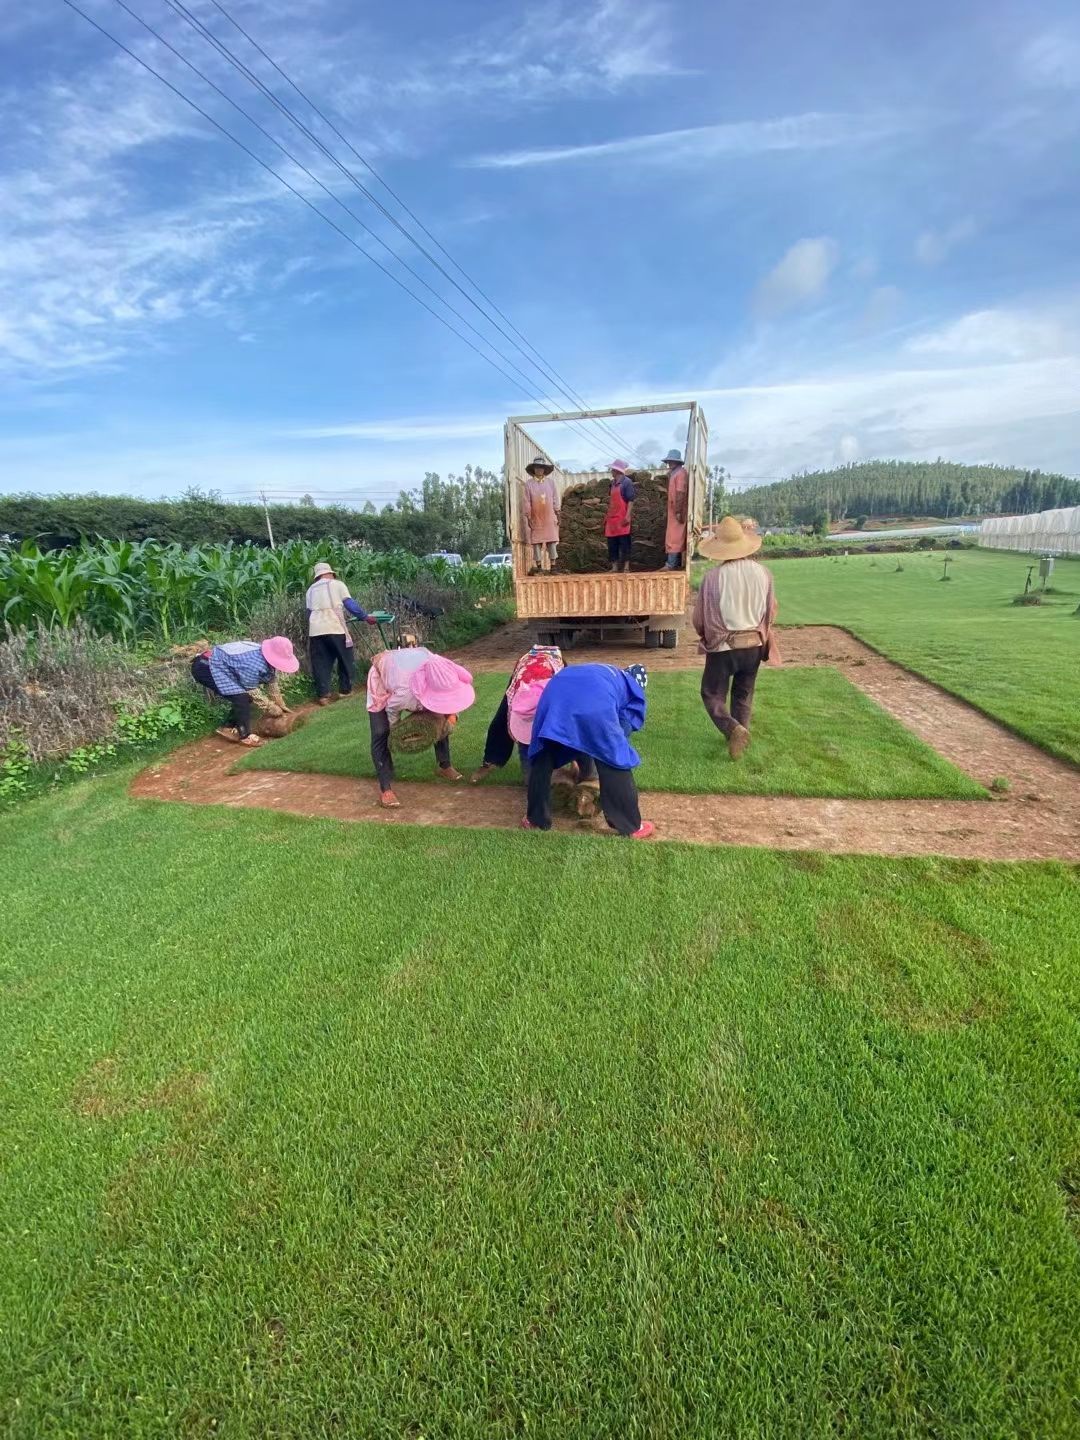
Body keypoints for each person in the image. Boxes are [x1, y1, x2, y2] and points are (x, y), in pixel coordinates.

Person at [523, 662, 655, 839]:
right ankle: (631, 826)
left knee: (544, 752)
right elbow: (624, 726)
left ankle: (535, 820)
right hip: (593, 701)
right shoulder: (632, 690)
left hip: (555, 693)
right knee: (614, 758)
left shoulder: (609, 672)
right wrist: (610, 747)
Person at [692, 516, 778, 759]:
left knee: (711, 693)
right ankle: (741, 732)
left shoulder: (712, 578)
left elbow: (700, 618)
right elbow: (770, 611)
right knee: (743, 693)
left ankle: (733, 730)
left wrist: (704, 635)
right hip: (754, 644)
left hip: (723, 646)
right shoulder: (764, 573)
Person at [366, 646, 476, 808]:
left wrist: (451, 715)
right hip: (382, 678)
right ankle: (386, 788)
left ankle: (444, 765)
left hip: (409, 676)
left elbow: (450, 695)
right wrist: (396, 735)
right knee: (381, 731)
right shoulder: (405, 693)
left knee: (440, 715)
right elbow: (392, 710)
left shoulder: (440, 667)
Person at [470, 645, 564, 783]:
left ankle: (576, 763)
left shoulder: (556, 687)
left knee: (562, 726)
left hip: (549, 672)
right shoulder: (517, 693)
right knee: (501, 721)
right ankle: (491, 761)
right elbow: (515, 724)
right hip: (526, 676)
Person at [191, 636, 300, 748]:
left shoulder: (264, 657)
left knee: (244, 698)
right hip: (205, 666)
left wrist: (280, 703)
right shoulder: (253, 663)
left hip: (217, 664)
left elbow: (271, 681)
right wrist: (269, 707)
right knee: (242, 697)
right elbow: (251, 690)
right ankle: (245, 736)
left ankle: (226, 727)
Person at [305, 561, 376, 705]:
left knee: (320, 663)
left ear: (317, 576)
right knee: (345, 658)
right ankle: (345, 690)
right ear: (330, 573)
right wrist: (365, 617)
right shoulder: (337, 584)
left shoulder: (310, 590)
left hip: (315, 631)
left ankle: (324, 695)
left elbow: (308, 613)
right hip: (335, 627)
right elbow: (350, 605)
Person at [523, 457, 561, 574]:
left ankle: (553, 566)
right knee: (536, 542)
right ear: (533, 469)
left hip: (549, 517)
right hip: (536, 517)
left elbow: (555, 498)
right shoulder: (529, 484)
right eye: (537, 467)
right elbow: (527, 501)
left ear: (544, 469)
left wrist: (558, 513)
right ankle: (539, 567)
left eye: (541, 467)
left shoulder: (551, 483)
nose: (539, 469)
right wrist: (529, 516)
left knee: (552, 541)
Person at [605, 460, 637, 573]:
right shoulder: (612, 483)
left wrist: (627, 516)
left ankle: (626, 567)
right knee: (612, 543)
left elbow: (631, 500)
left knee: (625, 543)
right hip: (612, 519)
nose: (611, 471)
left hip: (622, 517)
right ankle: (614, 567)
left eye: (612, 470)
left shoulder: (627, 483)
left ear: (617, 471)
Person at [662, 448, 689, 569]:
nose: (669, 463)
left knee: (675, 537)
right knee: (672, 536)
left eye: (671, 461)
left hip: (677, 510)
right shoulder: (675, 473)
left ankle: (671, 564)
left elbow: (680, 492)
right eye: (669, 461)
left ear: (677, 462)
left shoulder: (681, 473)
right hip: (673, 509)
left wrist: (678, 511)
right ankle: (673, 563)